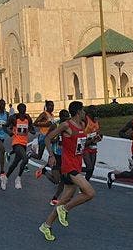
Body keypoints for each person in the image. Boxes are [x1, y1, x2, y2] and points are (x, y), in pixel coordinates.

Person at [38, 101, 97, 242]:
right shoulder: (66, 125)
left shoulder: (82, 126)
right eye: (82, 111)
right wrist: (51, 155)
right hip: (68, 167)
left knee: (64, 198)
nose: (84, 113)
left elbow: (80, 146)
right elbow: (47, 138)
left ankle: (46, 225)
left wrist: (94, 140)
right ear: (78, 112)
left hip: (76, 165)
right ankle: (65, 209)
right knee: (90, 193)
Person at [6, 102, 35, 189]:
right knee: (25, 158)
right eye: (22, 108)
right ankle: (18, 178)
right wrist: (9, 132)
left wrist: (31, 130)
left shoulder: (28, 118)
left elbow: (31, 128)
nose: (23, 110)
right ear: (19, 109)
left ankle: (5, 177)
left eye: (24, 108)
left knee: (15, 163)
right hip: (16, 142)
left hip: (24, 143)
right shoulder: (14, 118)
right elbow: (5, 126)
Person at [82, 107, 102, 181]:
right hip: (85, 146)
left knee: (91, 169)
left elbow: (97, 131)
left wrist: (99, 136)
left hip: (93, 146)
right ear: (89, 113)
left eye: (97, 111)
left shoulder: (96, 120)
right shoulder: (85, 120)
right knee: (89, 167)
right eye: (94, 111)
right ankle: (73, 170)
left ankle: (84, 184)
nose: (96, 113)